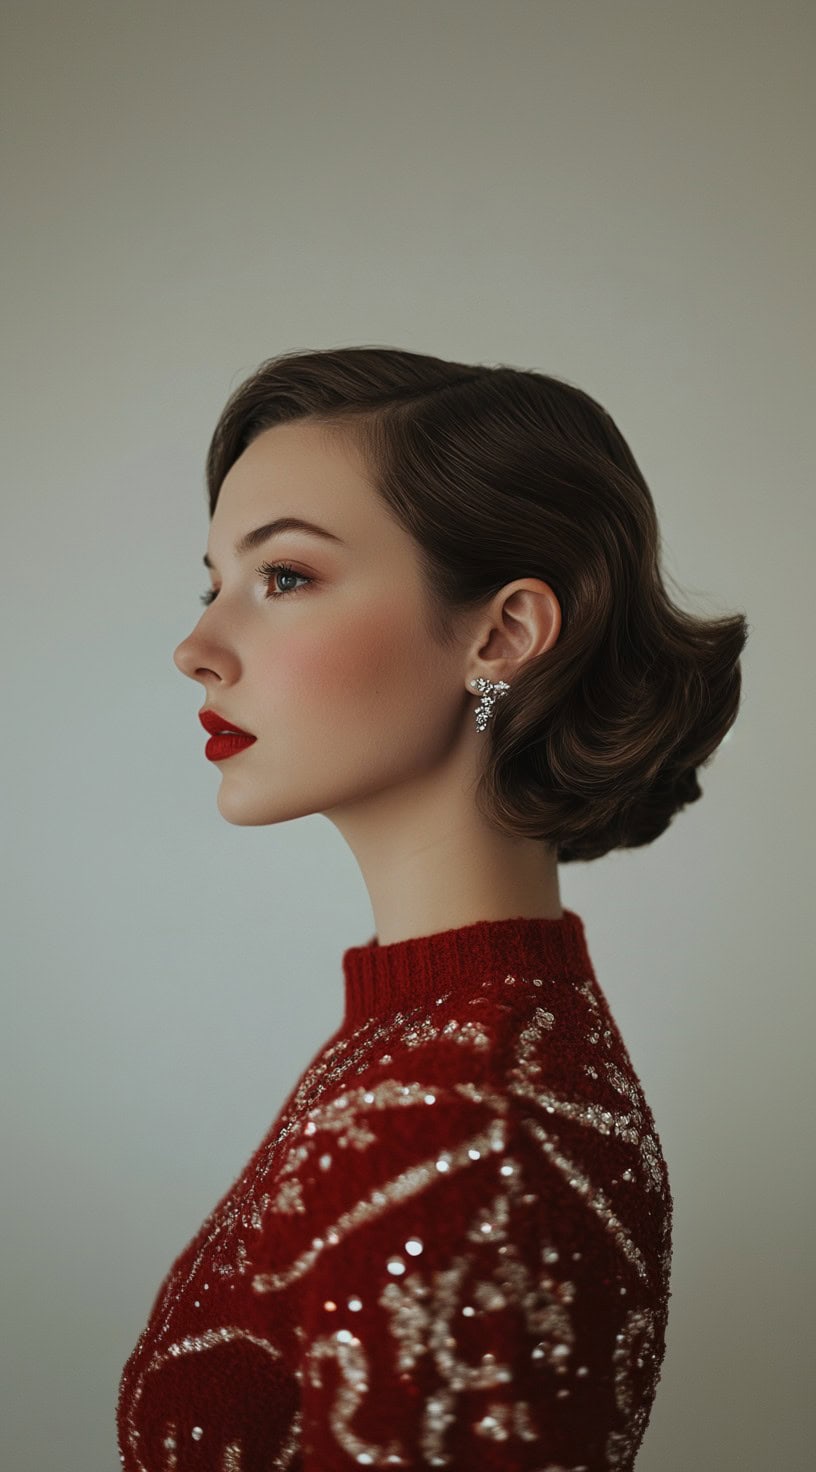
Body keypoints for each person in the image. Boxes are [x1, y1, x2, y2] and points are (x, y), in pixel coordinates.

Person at [116, 346, 748, 1471]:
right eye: (211, 583)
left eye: (285, 577)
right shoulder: (453, 1049)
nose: (197, 649)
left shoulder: (469, 1131)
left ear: (501, 634)